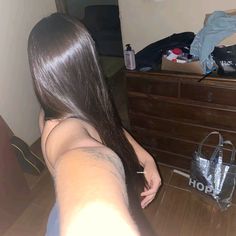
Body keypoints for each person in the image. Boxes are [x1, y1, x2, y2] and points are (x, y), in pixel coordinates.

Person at [28, 13, 161, 236]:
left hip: (60, 213)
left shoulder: (56, 108)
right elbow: (81, 155)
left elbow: (109, 128)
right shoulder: (66, 129)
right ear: (89, 62)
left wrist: (147, 159)